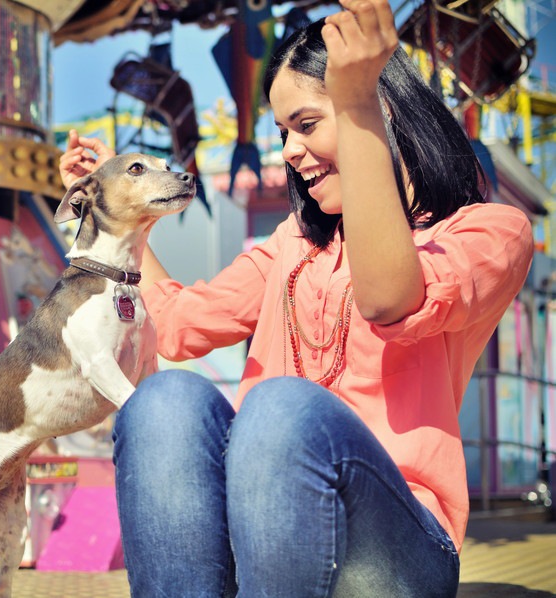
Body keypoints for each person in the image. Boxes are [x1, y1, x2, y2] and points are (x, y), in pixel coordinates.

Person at [59, 0, 534, 596]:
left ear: (378, 106)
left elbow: (391, 299)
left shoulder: (487, 233)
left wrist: (356, 97)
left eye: (305, 125)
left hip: (395, 551)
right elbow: (176, 326)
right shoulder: (294, 245)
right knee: (163, 400)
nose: (286, 150)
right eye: (282, 132)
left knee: (283, 409)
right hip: (267, 543)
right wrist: (115, 212)